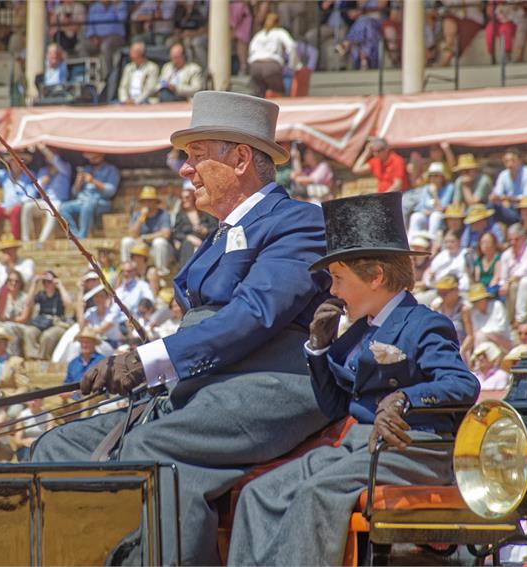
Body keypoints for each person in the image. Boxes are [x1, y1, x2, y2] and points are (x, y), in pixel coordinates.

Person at [32, 91, 331, 565]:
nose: (185, 170)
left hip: (273, 384)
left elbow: (255, 314)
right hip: (208, 384)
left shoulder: (299, 222)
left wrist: (149, 360)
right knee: (56, 446)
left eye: (196, 156)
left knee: (153, 448)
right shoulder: (217, 235)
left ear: (239, 159)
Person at [227, 192, 480, 565]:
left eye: (339, 278)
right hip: (358, 448)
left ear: (376, 276)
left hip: (413, 448)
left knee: (317, 494)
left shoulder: (425, 323)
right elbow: (333, 405)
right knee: (258, 493)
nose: (333, 290)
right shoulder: (357, 333)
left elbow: (463, 385)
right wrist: (318, 347)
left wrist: (404, 399)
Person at [59, 152, 120, 238]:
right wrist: (78, 182)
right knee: (63, 208)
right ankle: (74, 236)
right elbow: (74, 193)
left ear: (101, 156)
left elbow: (110, 191)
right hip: (82, 200)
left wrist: (93, 181)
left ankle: (82, 237)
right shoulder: (86, 169)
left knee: (87, 206)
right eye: (90, 158)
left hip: (101, 202)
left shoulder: (111, 170)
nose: (92, 160)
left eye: (95, 157)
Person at [20, 144, 72, 242]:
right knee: (27, 207)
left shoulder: (65, 167)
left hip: (58, 201)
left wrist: (42, 147)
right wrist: (43, 182)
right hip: (44, 201)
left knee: (53, 212)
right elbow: (36, 188)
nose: (48, 156)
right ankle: (25, 240)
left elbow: (55, 161)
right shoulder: (44, 170)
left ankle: (41, 242)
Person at [121, 186, 173, 275]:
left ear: (155, 202)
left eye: (150, 200)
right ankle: (127, 270)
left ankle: (161, 273)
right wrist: (141, 218)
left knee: (159, 242)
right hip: (141, 247)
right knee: (126, 241)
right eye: (145, 201)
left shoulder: (163, 214)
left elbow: (166, 233)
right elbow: (132, 234)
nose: (147, 203)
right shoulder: (137, 214)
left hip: (158, 249)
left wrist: (145, 237)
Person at [0, 153, 35, 241]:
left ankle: (16, 239)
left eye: (18, 161)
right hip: (5, 206)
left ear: (24, 163)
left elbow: (31, 193)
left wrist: (17, 204)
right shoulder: (5, 174)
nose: (15, 164)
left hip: (19, 206)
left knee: (16, 210)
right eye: (12, 161)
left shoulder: (29, 176)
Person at [247, 12, 297, 97]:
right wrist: (292, 65)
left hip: (255, 66)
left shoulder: (259, 34)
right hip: (272, 66)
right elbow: (291, 46)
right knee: (279, 92)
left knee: (260, 94)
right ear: (278, 23)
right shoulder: (280, 32)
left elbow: (251, 50)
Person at [0, 270, 40, 360]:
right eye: (11, 281)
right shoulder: (2, 297)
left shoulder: (25, 297)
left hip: (23, 326)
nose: (13, 283)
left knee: (8, 327)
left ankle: (13, 355)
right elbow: (0, 315)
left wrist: (8, 319)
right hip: (6, 324)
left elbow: (24, 318)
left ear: (20, 283)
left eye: (16, 281)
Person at [28, 270, 72, 360]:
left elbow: (68, 303)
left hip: (57, 323)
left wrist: (60, 285)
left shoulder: (59, 294)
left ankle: (42, 358)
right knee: (29, 332)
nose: (46, 284)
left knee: (47, 336)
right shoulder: (41, 294)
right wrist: (34, 284)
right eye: (44, 282)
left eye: (49, 281)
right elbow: (28, 304)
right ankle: (32, 357)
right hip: (42, 322)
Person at [490, 147, 527, 225]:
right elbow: (497, 193)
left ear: (520, 161)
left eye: (512, 160)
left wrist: (507, 198)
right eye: (506, 161)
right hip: (510, 210)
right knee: (490, 207)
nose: (509, 164)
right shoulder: (503, 175)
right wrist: (494, 197)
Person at [172, 184, 218, 267]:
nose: (184, 200)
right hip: (187, 247)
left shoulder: (205, 212)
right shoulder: (180, 215)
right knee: (187, 244)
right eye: (182, 198)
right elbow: (176, 233)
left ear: (193, 198)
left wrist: (206, 230)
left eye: (187, 197)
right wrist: (188, 237)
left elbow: (216, 228)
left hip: (205, 242)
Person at [462, 283, 512, 357]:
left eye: (478, 300)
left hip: (503, 341)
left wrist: (485, 334)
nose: (476, 304)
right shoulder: (474, 312)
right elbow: (475, 332)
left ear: (484, 299)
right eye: (474, 302)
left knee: (480, 336)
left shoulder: (497, 305)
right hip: (483, 341)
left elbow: (500, 329)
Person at [83, 0, 127, 79]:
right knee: (82, 47)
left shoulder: (120, 4)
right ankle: (90, 74)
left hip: (115, 37)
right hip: (97, 38)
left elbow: (122, 18)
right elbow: (90, 26)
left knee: (105, 46)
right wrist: (93, 37)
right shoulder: (94, 8)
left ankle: (109, 75)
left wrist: (116, 6)